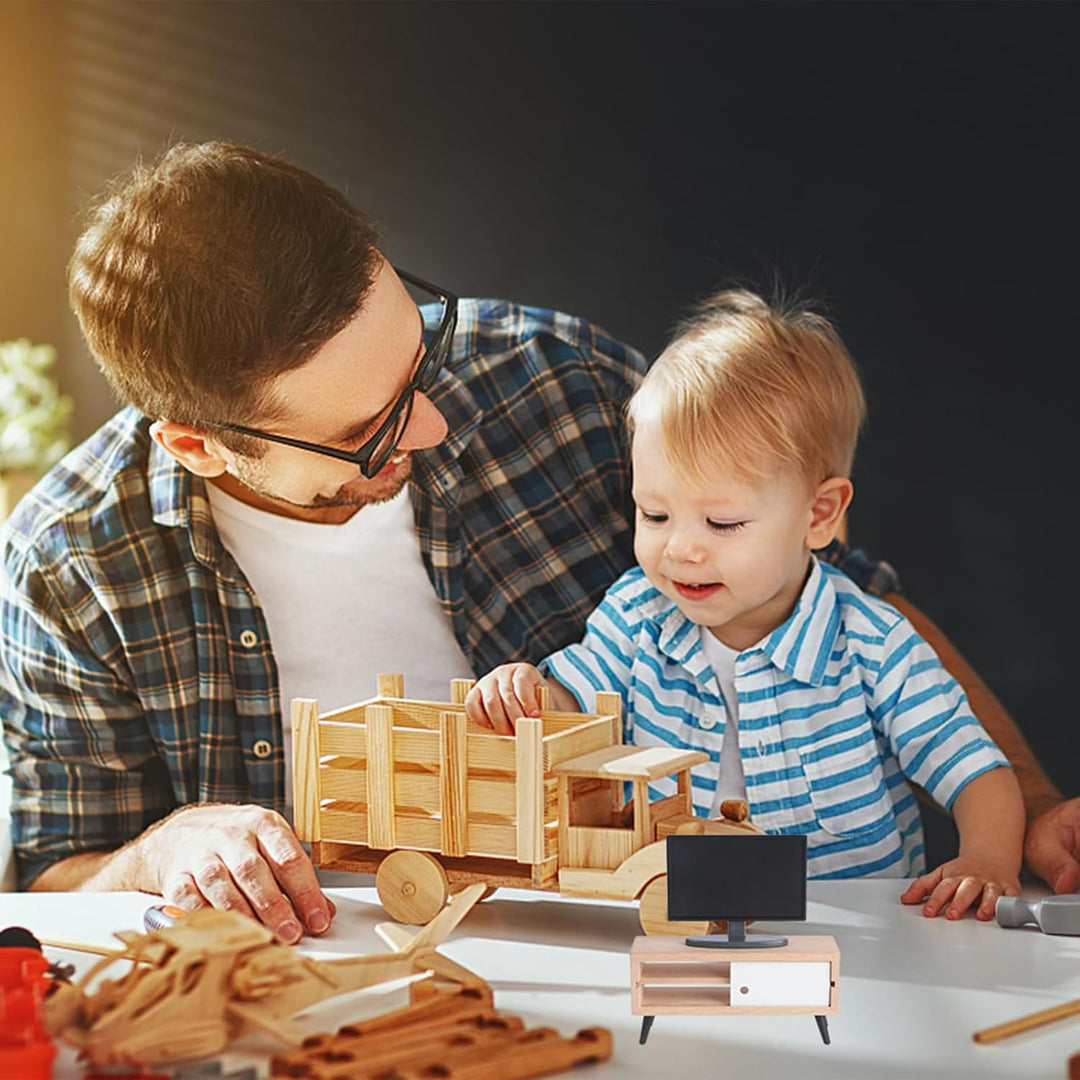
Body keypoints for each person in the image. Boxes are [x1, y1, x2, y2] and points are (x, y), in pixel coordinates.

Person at [0, 144, 1072, 942]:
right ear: (201, 444)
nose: (430, 421)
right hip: (349, 979)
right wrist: (162, 849)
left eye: (419, 354)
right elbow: (46, 875)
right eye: (366, 434)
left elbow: (847, 600)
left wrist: (1021, 809)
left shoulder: (555, 381)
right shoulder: (71, 570)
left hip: (633, 937)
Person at [465, 288, 1024, 919]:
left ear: (819, 515)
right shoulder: (636, 613)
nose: (680, 550)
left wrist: (987, 859)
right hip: (687, 910)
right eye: (654, 513)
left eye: (722, 523)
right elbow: (573, 702)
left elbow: (977, 772)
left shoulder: (872, 642)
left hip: (858, 931)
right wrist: (528, 692)